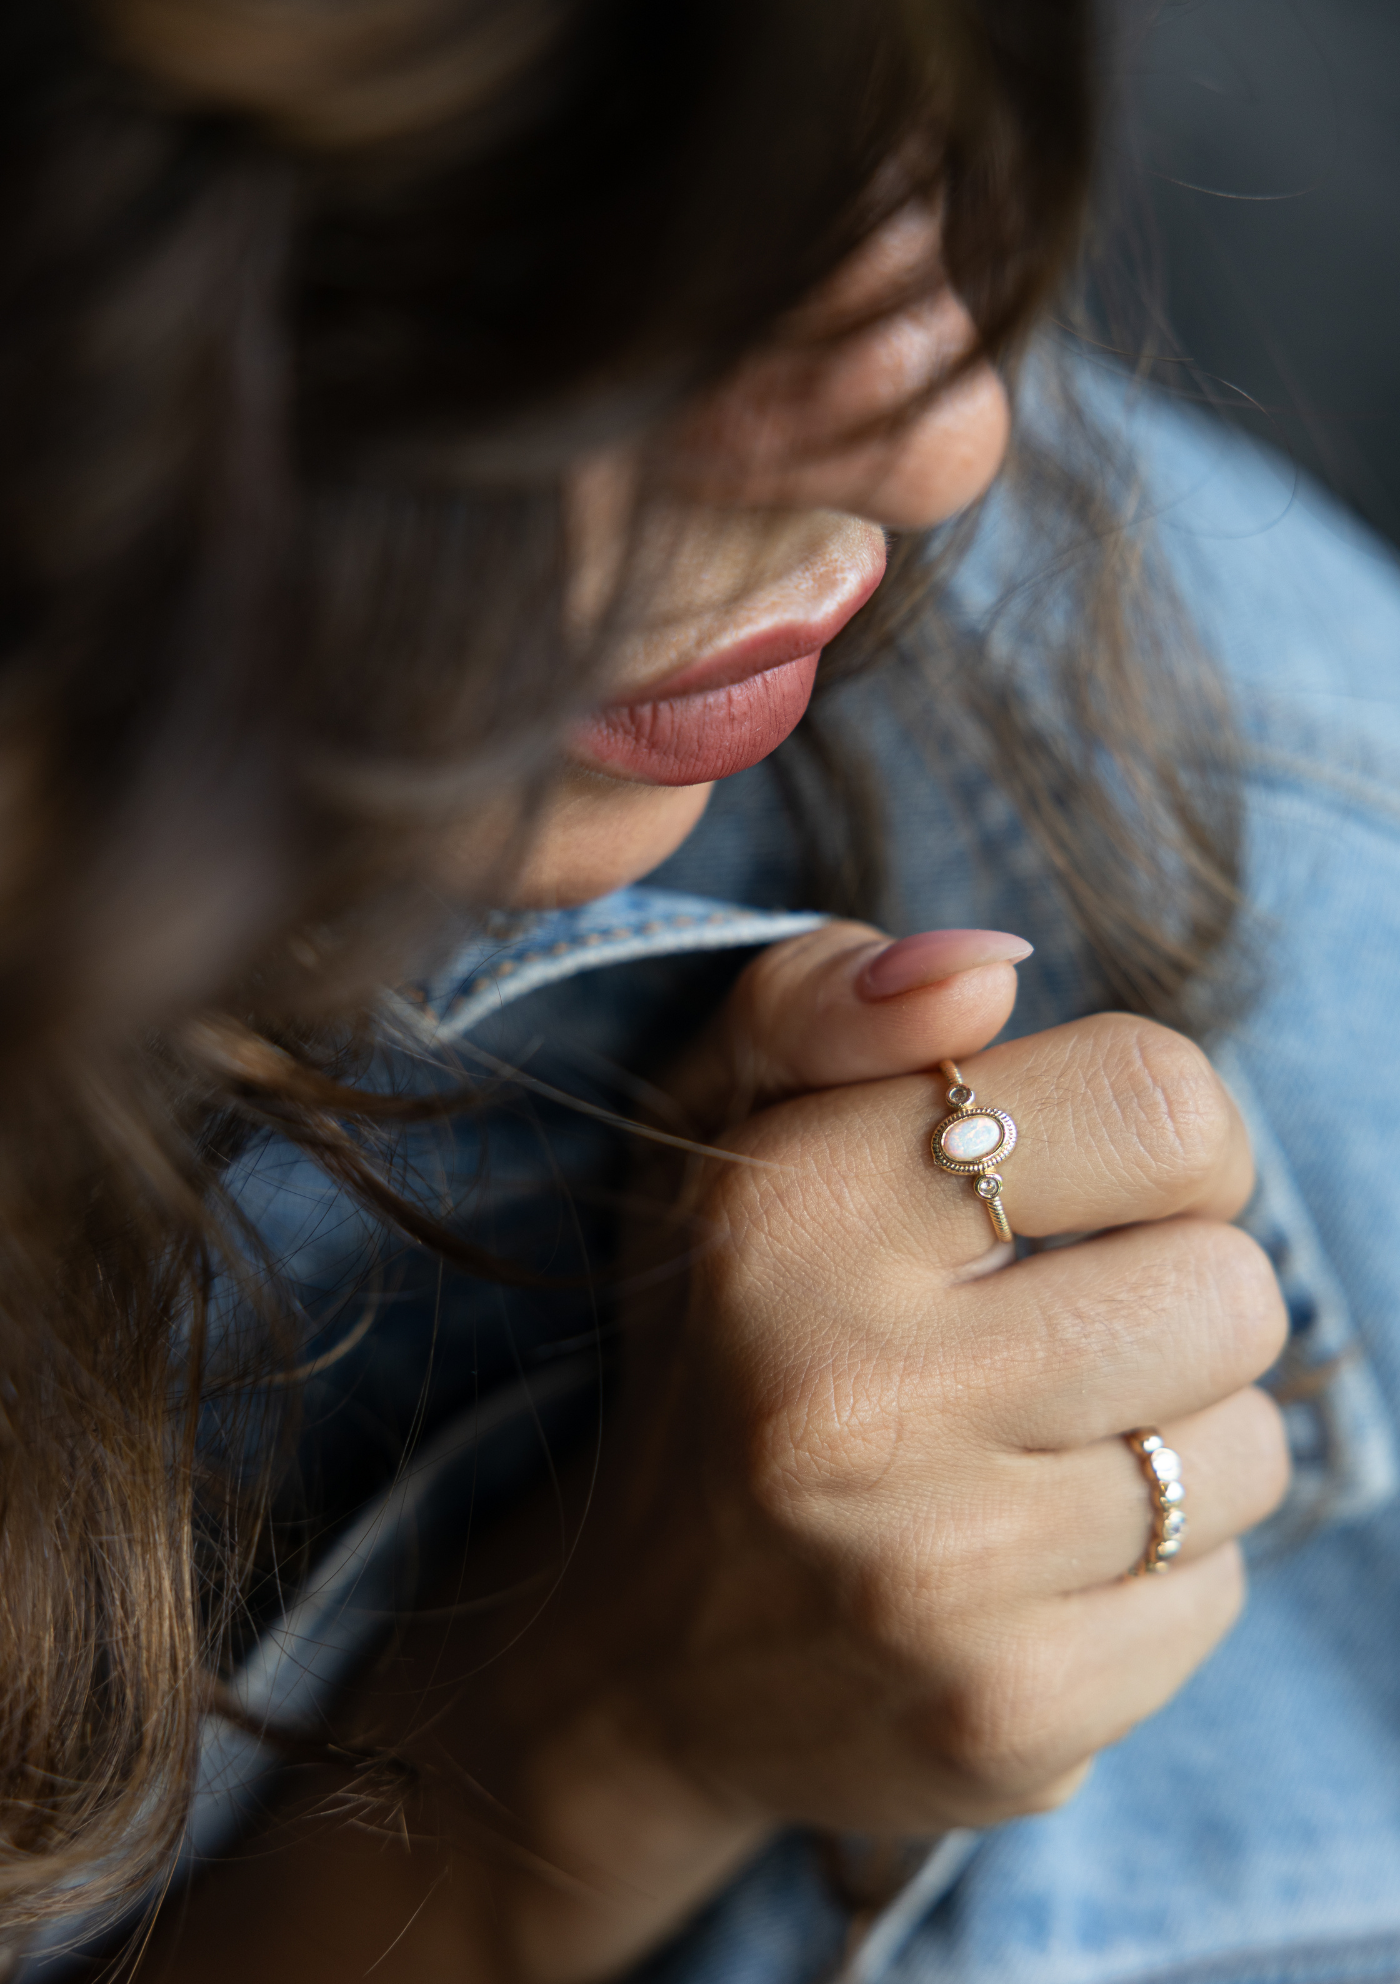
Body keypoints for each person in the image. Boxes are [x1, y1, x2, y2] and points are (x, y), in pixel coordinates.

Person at [4, 3, 1400, 1981]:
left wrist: (600, 1739)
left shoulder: (1261, 849)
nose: (947, 431)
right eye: (539, 232)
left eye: (917, 106)